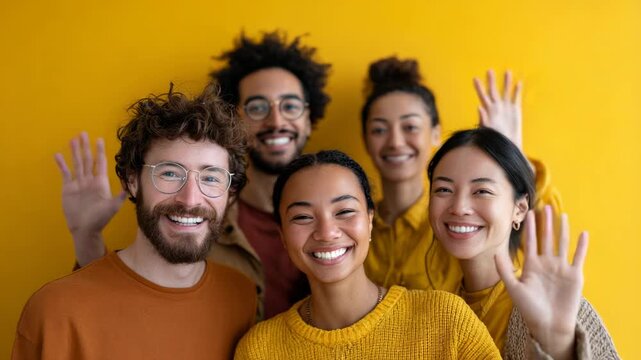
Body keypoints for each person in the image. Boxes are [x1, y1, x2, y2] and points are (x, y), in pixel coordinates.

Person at [68, 31, 331, 319]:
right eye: (257, 107)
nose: (277, 121)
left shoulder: (338, 223)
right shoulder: (189, 217)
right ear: (235, 118)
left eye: (291, 106)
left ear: (309, 117)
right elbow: (126, 306)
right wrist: (87, 237)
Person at [12, 84, 257, 360]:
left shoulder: (241, 295)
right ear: (132, 181)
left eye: (211, 178)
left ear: (230, 193)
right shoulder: (55, 311)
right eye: (169, 174)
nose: (190, 200)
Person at [234, 150, 501, 359]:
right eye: (303, 217)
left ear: (370, 220)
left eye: (344, 212)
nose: (327, 232)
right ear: (282, 235)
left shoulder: (446, 319)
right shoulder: (260, 348)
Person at [361, 57, 561, 292]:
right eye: (379, 130)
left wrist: (511, 155)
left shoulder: (456, 220)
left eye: (410, 127)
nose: (395, 142)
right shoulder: (357, 225)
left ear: (436, 134)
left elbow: (547, 246)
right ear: (365, 139)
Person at [427, 128, 618, 358]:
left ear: (520, 209)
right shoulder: (432, 310)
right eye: (444, 189)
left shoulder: (550, 305)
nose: (459, 207)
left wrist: (558, 345)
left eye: (482, 191)